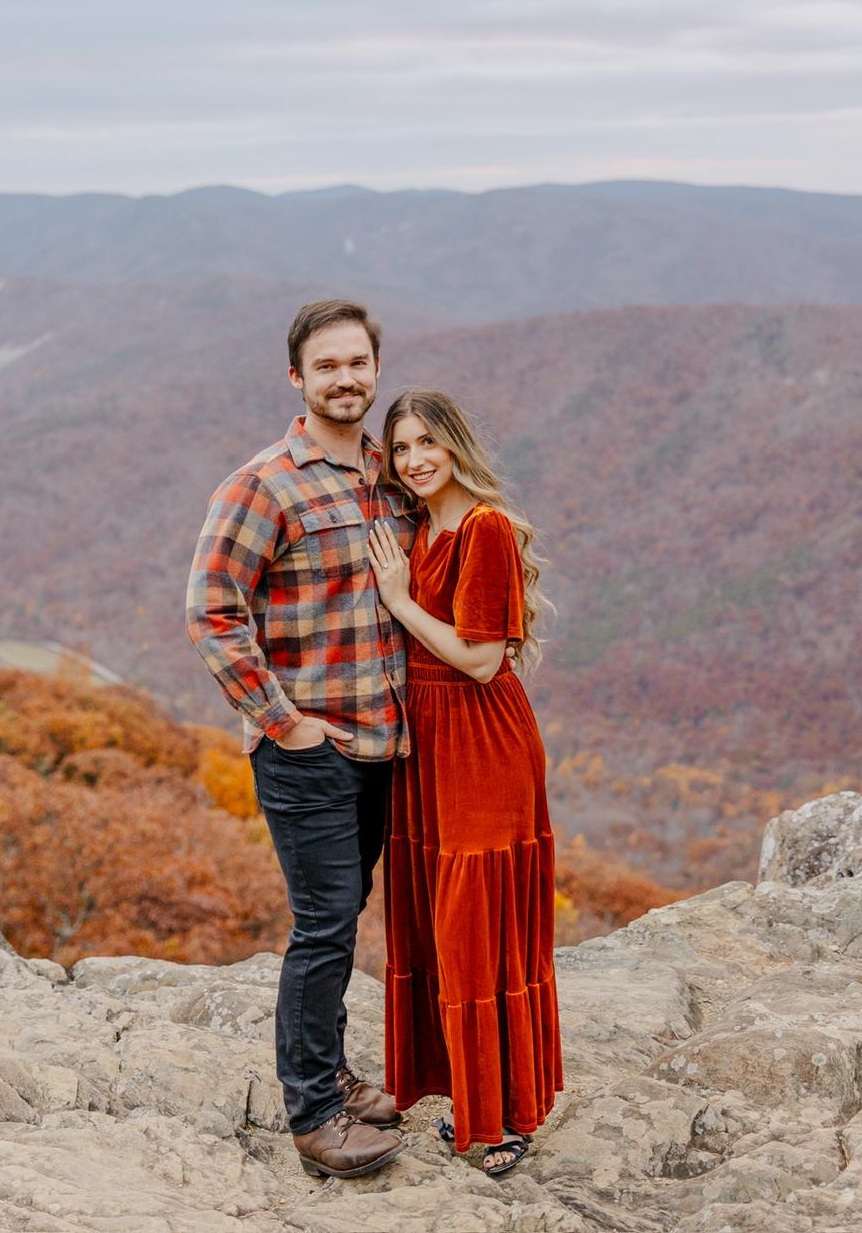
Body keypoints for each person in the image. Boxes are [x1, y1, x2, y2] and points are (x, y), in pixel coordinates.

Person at [184, 299, 413, 1179]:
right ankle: (315, 1114)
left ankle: (335, 1072)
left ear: (375, 370)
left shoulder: (391, 474)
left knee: (344, 918)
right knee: (323, 926)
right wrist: (285, 722)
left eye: (357, 363)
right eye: (327, 367)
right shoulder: (264, 484)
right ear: (297, 378)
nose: (345, 379)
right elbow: (211, 610)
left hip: (384, 747)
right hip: (307, 751)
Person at [366, 387, 563, 1180]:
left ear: (455, 444)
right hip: (429, 741)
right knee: (436, 921)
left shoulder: (485, 528)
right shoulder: (419, 528)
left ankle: (507, 1114)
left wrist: (399, 601)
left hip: (482, 738)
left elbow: (482, 659)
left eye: (428, 442)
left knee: (476, 920)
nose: (415, 459)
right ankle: (463, 1091)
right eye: (401, 447)